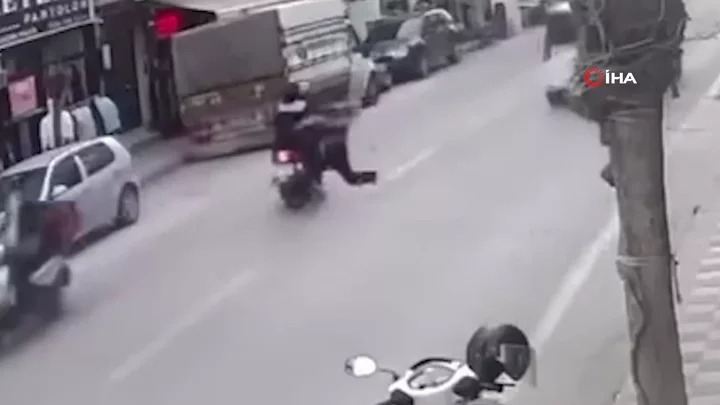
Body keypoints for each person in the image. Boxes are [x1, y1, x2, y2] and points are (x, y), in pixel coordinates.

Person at [273, 82, 377, 186]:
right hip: (308, 148)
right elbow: (328, 112)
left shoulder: (281, 113)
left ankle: (312, 181)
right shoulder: (308, 107)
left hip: (288, 148)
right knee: (332, 152)